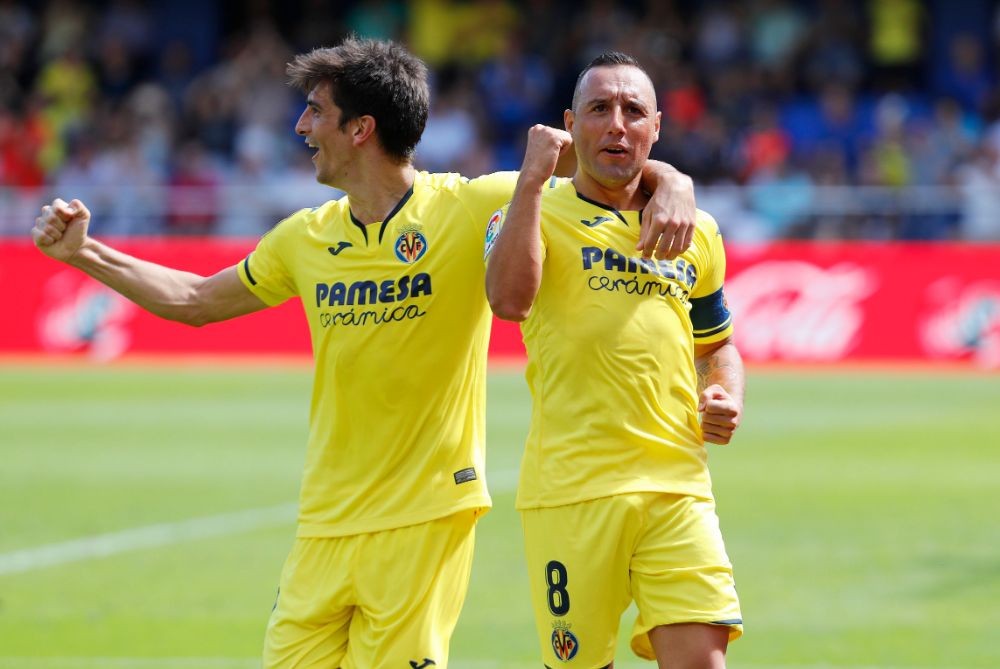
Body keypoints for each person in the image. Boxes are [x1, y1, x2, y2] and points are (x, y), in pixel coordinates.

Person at [31, 39, 699, 668]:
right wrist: (85, 253)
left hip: (425, 517)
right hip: (324, 524)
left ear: (360, 129)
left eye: (315, 111)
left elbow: (608, 157)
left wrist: (673, 184)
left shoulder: (471, 205)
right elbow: (196, 299)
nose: (300, 127)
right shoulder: (304, 237)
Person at [485, 52, 746, 669]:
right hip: (571, 492)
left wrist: (725, 392)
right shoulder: (530, 209)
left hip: (677, 486)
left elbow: (717, 345)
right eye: (599, 109)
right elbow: (508, 301)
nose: (617, 124)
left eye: (633, 111)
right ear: (571, 124)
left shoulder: (697, 231)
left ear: (656, 127)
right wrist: (531, 181)